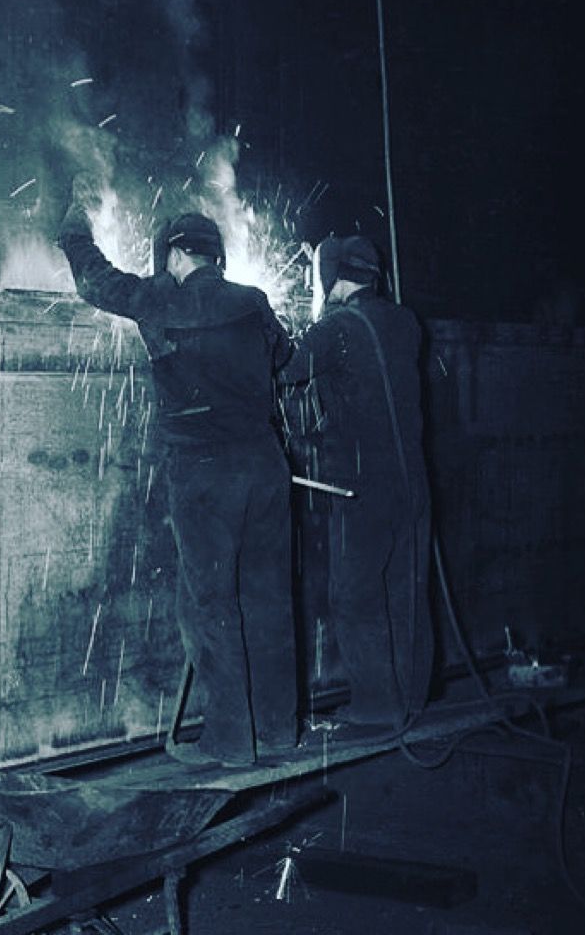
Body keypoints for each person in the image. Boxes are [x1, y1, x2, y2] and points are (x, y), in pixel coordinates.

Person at [58, 176, 296, 767]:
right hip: (266, 467)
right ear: (215, 254)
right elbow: (286, 359)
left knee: (211, 602)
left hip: (203, 472)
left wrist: (72, 230)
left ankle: (230, 740)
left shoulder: (161, 301)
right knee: (267, 597)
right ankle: (278, 729)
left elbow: (96, 282)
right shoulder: (255, 301)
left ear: (174, 253)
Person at [279, 235, 433, 730]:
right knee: (406, 591)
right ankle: (411, 698)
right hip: (413, 484)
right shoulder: (406, 323)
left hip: (361, 487)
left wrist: (298, 317)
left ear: (335, 278)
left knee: (356, 594)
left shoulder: (337, 328)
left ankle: (375, 704)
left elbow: (286, 370)